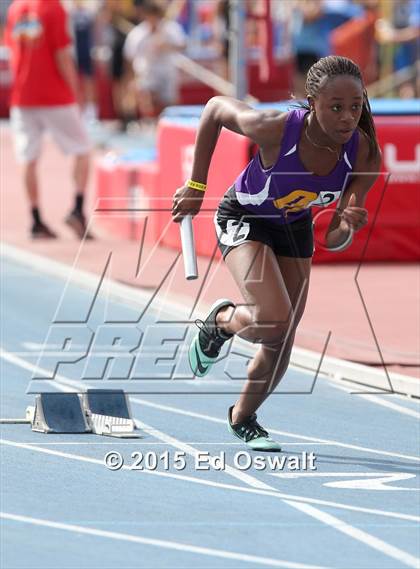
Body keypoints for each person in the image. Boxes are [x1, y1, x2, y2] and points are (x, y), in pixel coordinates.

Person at [172, 55, 382, 451]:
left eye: (355, 107)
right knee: (272, 320)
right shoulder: (274, 127)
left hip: (294, 225)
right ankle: (222, 322)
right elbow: (215, 109)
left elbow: (333, 238)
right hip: (244, 216)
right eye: (335, 107)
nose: (347, 118)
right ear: (312, 102)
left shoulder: (364, 153)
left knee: (283, 336)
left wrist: (348, 226)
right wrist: (196, 186)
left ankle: (244, 417)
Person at [5, 0, 91, 239]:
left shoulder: (15, 8)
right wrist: (75, 91)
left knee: (27, 158)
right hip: (54, 94)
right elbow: (62, 53)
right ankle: (77, 207)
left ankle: (35, 218)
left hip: (23, 95)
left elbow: (13, 50)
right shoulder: (53, 7)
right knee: (82, 149)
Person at [123, 0, 186, 120]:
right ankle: (150, 121)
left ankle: (168, 123)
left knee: (170, 102)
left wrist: (167, 46)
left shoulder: (170, 29)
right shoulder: (137, 34)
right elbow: (129, 56)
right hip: (147, 72)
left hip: (168, 71)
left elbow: (182, 45)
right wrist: (131, 79)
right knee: (148, 97)